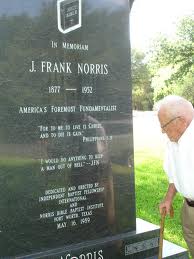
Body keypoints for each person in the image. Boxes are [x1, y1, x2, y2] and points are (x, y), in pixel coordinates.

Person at [156, 95, 194, 257]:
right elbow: (174, 172)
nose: (162, 130)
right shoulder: (173, 139)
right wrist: (168, 198)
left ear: (181, 120)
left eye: (164, 125)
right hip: (189, 208)